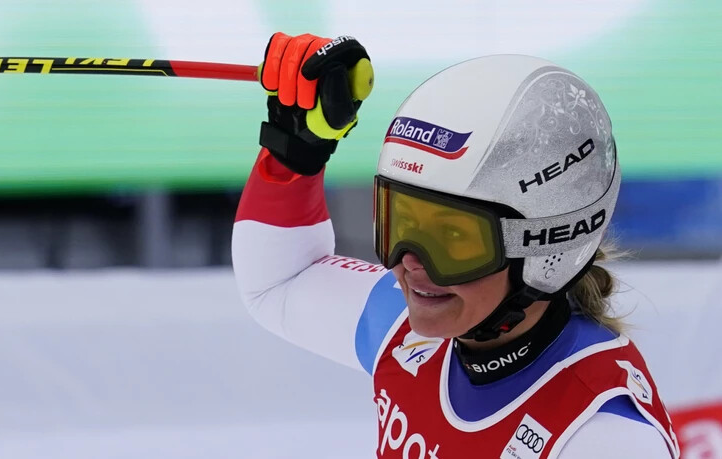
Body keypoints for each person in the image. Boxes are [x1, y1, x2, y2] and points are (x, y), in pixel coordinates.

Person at [232, 32, 679, 459]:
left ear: (546, 250)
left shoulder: (603, 439)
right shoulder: (409, 330)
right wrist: (295, 150)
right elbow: (280, 283)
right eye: (401, 221)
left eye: (453, 237)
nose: (410, 266)